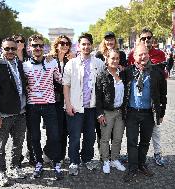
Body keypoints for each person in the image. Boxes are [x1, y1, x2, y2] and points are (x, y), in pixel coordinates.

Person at [0, 37, 27, 187]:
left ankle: (15, 167)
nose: (10, 51)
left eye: (12, 49)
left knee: (18, 143)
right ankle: (1, 171)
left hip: (21, 113)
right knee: (0, 146)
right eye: (7, 48)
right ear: (1, 49)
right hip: (3, 114)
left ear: (17, 50)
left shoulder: (20, 65)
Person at [123, 42, 167, 182]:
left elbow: (163, 94)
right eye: (140, 54)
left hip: (149, 113)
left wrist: (161, 113)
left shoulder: (157, 72)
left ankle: (141, 164)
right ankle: (132, 167)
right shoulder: (127, 72)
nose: (143, 57)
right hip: (131, 113)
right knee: (131, 141)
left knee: (145, 142)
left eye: (145, 54)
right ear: (134, 56)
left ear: (149, 55)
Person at [63, 33, 104, 176]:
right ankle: (74, 161)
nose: (86, 47)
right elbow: (66, 86)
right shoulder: (71, 63)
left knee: (90, 136)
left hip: (91, 108)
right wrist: (68, 105)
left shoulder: (99, 63)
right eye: (83, 44)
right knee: (74, 137)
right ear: (78, 46)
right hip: (75, 107)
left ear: (91, 45)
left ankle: (87, 159)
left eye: (88, 44)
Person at [22, 34, 63, 180]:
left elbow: (60, 79)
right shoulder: (24, 65)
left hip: (49, 104)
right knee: (34, 137)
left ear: (44, 47)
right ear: (29, 47)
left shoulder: (52, 63)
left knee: (54, 136)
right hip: (32, 106)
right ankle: (38, 161)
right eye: (34, 45)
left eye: (40, 45)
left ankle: (56, 161)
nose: (37, 48)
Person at [95, 31, 128, 162]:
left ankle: (114, 158)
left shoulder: (122, 56)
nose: (109, 42)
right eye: (107, 39)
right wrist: (100, 113)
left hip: (119, 110)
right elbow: (98, 95)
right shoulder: (98, 56)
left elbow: (126, 73)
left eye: (112, 39)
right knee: (104, 136)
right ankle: (105, 159)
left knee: (117, 137)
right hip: (106, 107)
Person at [44, 35, 75, 162]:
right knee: (54, 130)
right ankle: (49, 153)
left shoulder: (71, 60)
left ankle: (60, 156)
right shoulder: (50, 60)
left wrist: (75, 61)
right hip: (53, 99)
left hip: (67, 99)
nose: (65, 45)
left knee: (64, 130)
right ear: (56, 45)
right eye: (62, 43)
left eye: (67, 43)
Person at [12, 34, 36, 167]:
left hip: (30, 98)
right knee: (17, 131)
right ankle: (18, 155)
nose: (20, 43)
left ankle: (31, 153)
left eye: (22, 41)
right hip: (16, 100)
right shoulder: (10, 58)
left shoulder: (30, 57)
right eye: (17, 41)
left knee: (31, 130)